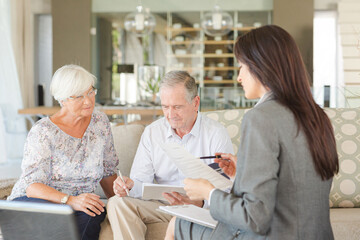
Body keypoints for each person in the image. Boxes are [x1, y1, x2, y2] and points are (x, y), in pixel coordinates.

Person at [165, 25, 339, 240]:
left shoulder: (260, 117)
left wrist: (207, 191)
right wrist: (241, 175)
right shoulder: (318, 116)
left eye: (241, 67)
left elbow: (254, 217)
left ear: (260, 66)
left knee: (176, 223)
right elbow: (292, 187)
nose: (239, 77)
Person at [107, 70, 234, 240]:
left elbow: (226, 190)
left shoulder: (216, 134)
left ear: (196, 103)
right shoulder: (153, 132)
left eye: (177, 107)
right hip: (162, 207)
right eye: (165, 107)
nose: (170, 114)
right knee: (117, 202)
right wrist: (128, 186)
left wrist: (201, 202)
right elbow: (140, 183)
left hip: (201, 209)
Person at [8, 64, 119, 240]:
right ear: (62, 99)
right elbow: (32, 186)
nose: (88, 101)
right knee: (61, 217)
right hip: (39, 201)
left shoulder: (100, 122)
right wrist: (70, 201)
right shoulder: (43, 132)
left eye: (90, 92)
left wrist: (123, 198)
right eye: (79, 96)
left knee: (95, 212)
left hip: (79, 206)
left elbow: (107, 172)